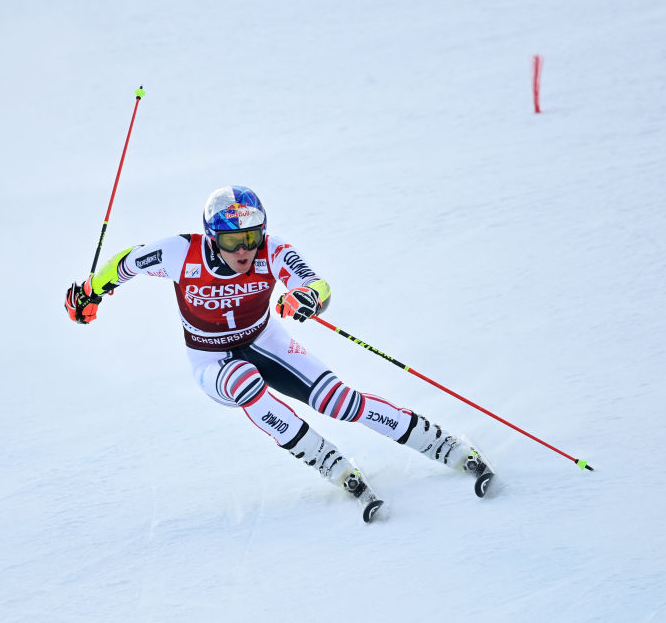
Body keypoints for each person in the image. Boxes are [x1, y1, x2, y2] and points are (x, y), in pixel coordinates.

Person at [66, 185, 490, 520]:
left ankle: (446, 446)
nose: (243, 251)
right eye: (233, 241)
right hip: (212, 360)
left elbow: (316, 285)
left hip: (264, 339)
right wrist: (89, 293)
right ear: (213, 238)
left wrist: (304, 298)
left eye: (251, 237)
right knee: (245, 382)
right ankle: (331, 464)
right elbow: (127, 262)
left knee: (340, 402)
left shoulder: (272, 250)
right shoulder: (181, 253)